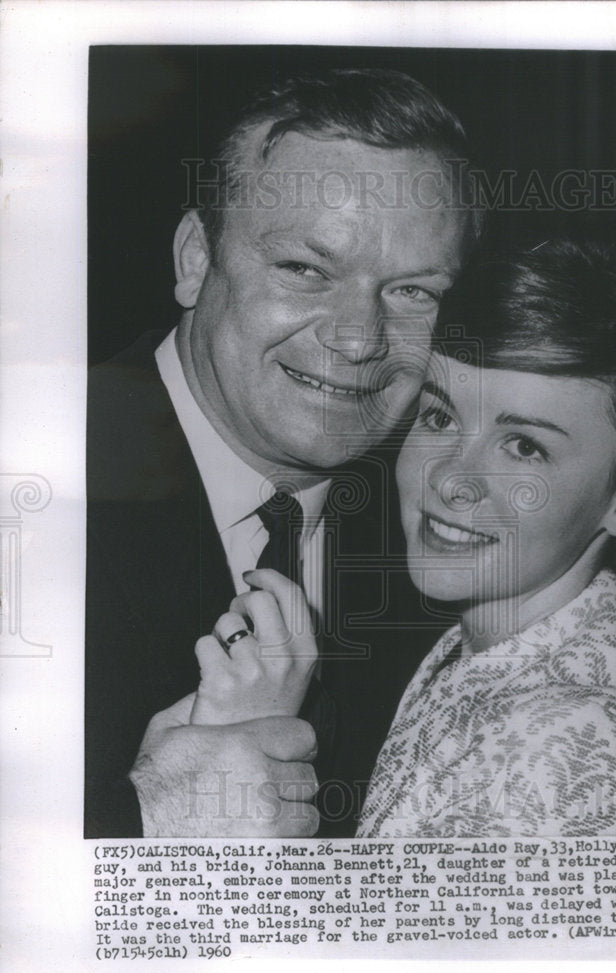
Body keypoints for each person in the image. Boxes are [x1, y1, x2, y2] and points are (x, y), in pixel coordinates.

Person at [195, 239, 616, 837]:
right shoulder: (487, 656)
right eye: (439, 417)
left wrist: (229, 776)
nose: (449, 479)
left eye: (524, 446)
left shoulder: (556, 747)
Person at [85, 68, 478, 837]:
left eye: (412, 292)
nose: (359, 338)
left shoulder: (446, 540)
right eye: (304, 270)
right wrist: (146, 827)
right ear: (196, 258)